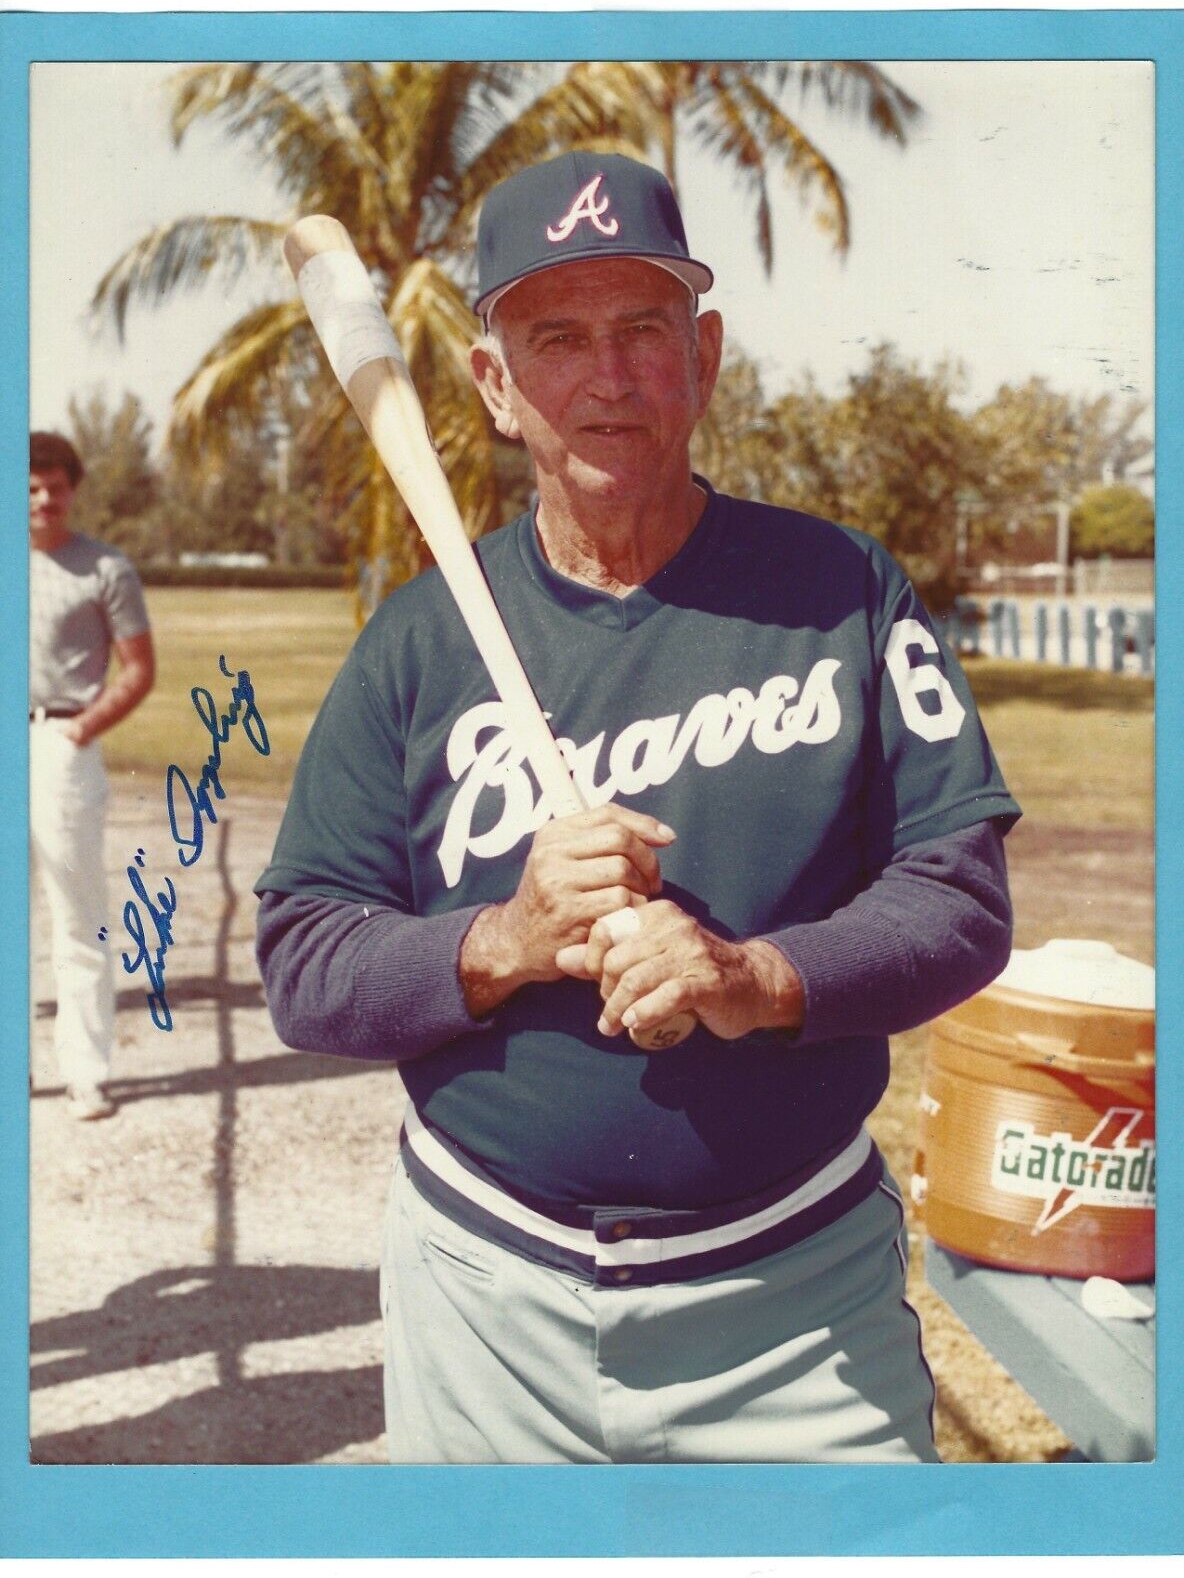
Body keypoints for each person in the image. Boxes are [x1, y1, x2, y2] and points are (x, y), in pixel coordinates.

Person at [256, 151, 1020, 1464]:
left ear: (704, 355)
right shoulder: (422, 641)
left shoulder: (839, 591)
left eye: (643, 332)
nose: (607, 379)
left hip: (796, 1309)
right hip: (484, 1303)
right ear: (497, 386)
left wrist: (756, 974)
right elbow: (303, 960)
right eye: (557, 338)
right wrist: (506, 940)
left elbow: (956, 901)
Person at [30, 431, 155, 1120]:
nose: (43, 500)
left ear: (72, 490)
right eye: (29, 488)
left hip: (61, 744)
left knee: (77, 916)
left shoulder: (104, 568)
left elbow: (139, 670)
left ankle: (85, 1072)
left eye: (54, 487)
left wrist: (80, 729)